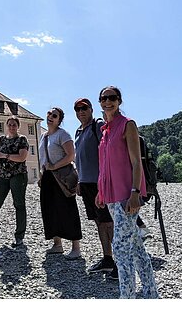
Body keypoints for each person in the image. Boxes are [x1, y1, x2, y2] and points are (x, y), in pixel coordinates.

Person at [96, 86, 159, 298]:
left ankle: (127, 297)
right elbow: (105, 165)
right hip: (112, 196)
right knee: (136, 247)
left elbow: (136, 162)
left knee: (121, 250)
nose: (108, 102)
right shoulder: (105, 130)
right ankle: (151, 293)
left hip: (127, 196)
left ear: (119, 101)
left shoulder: (127, 125)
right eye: (104, 98)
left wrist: (135, 192)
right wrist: (100, 190)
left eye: (112, 98)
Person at [73, 98, 118, 278]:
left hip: (100, 183)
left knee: (108, 222)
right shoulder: (78, 131)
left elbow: (107, 151)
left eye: (84, 108)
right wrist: (79, 180)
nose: (81, 111)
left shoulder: (97, 125)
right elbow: (79, 159)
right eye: (77, 109)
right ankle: (107, 259)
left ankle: (119, 262)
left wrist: (105, 181)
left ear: (91, 109)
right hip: (86, 183)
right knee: (99, 222)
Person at [38, 107, 82, 260]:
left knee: (68, 209)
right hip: (48, 177)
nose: (51, 117)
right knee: (50, 210)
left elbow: (71, 155)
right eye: (49, 114)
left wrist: (54, 167)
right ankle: (57, 244)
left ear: (59, 120)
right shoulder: (43, 136)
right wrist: (42, 175)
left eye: (54, 115)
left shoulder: (63, 135)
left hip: (61, 176)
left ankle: (76, 247)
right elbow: (43, 159)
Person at [0, 116, 29, 248]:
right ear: (6, 126)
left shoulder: (22, 139)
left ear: (18, 126)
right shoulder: (2, 139)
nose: (12, 127)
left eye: (14, 125)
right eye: (10, 124)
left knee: (19, 205)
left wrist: (5, 156)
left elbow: (22, 157)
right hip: (2, 176)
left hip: (18, 175)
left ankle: (19, 237)